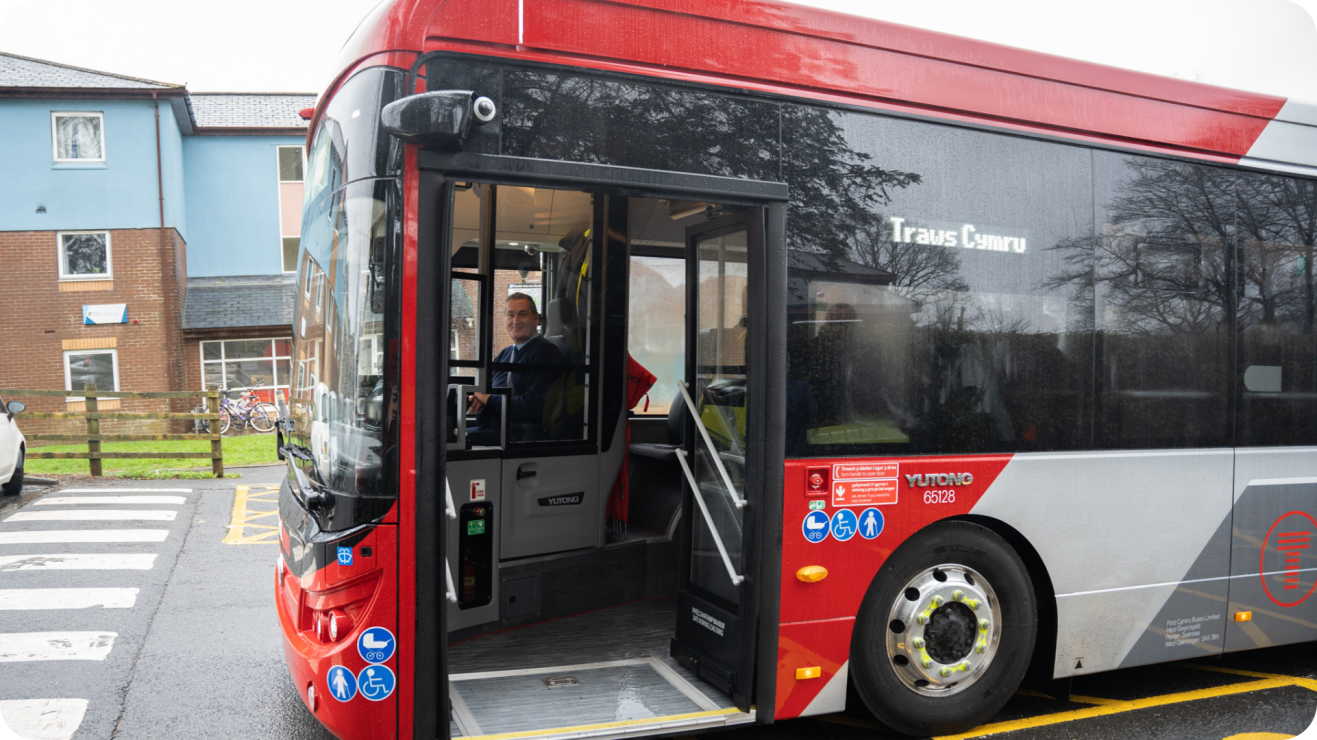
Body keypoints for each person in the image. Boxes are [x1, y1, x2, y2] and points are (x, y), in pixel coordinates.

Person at [467, 293, 563, 445]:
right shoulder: (505, 354)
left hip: (523, 437)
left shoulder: (546, 353)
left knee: (450, 441)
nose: (515, 321)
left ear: (535, 318)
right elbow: (487, 390)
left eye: (522, 314)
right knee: (450, 434)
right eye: (510, 315)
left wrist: (488, 399)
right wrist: (478, 399)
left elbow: (534, 404)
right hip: (497, 429)